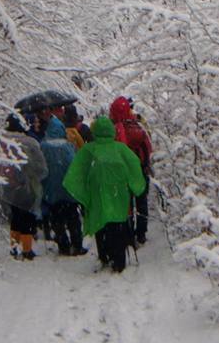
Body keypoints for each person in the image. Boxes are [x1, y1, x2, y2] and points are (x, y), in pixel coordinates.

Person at [62, 116, 146, 273]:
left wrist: (84, 194)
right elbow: (134, 164)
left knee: (101, 224)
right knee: (118, 225)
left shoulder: (89, 150)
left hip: (97, 195)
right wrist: (137, 187)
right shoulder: (120, 149)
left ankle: (105, 256)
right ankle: (119, 260)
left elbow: (75, 173)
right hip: (119, 195)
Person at [0, 113, 47, 260]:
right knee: (27, 217)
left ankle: (14, 247)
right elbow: (41, 168)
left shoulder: (1, 142)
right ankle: (27, 249)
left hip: (8, 185)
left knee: (15, 217)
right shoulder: (29, 142)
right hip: (26, 185)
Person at [38, 106, 87, 256]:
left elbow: (41, 167)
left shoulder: (43, 146)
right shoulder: (67, 146)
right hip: (67, 186)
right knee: (73, 217)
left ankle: (63, 244)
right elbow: (74, 164)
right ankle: (77, 244)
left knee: (56, 217)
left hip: (51, 188)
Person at [109, 96, 153, 245]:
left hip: (122, 172)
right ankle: (141, 233)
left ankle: (128, 234)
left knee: (126, 204)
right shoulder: (137, 125)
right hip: (139, 169)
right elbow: (148, 146)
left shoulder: (113, 130)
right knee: (141, 202)